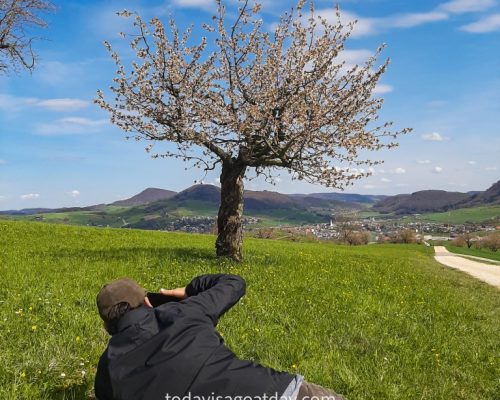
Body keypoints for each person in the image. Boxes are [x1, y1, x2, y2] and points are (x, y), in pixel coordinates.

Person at [95, 274, 344, 400]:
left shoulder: (108, 366)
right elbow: (234, 282)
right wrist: (190, 290)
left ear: (107, 324)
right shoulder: (183, 311)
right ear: (148, 302)